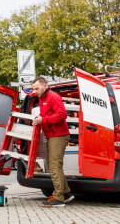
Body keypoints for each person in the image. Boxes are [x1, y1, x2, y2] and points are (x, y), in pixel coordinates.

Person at [31, 77, 74, 207]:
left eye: (37, 88)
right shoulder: (42, 98)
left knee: (54, 165)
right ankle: (66, 194)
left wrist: (42, 120)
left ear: (44, 86)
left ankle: (59, 198)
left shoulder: (53, 96)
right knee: (52, 165)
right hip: (52, 135)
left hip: (59, 135)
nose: (35, 91)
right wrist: (39, 119)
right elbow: (48, 115)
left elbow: (62, 115)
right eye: (34, 89)